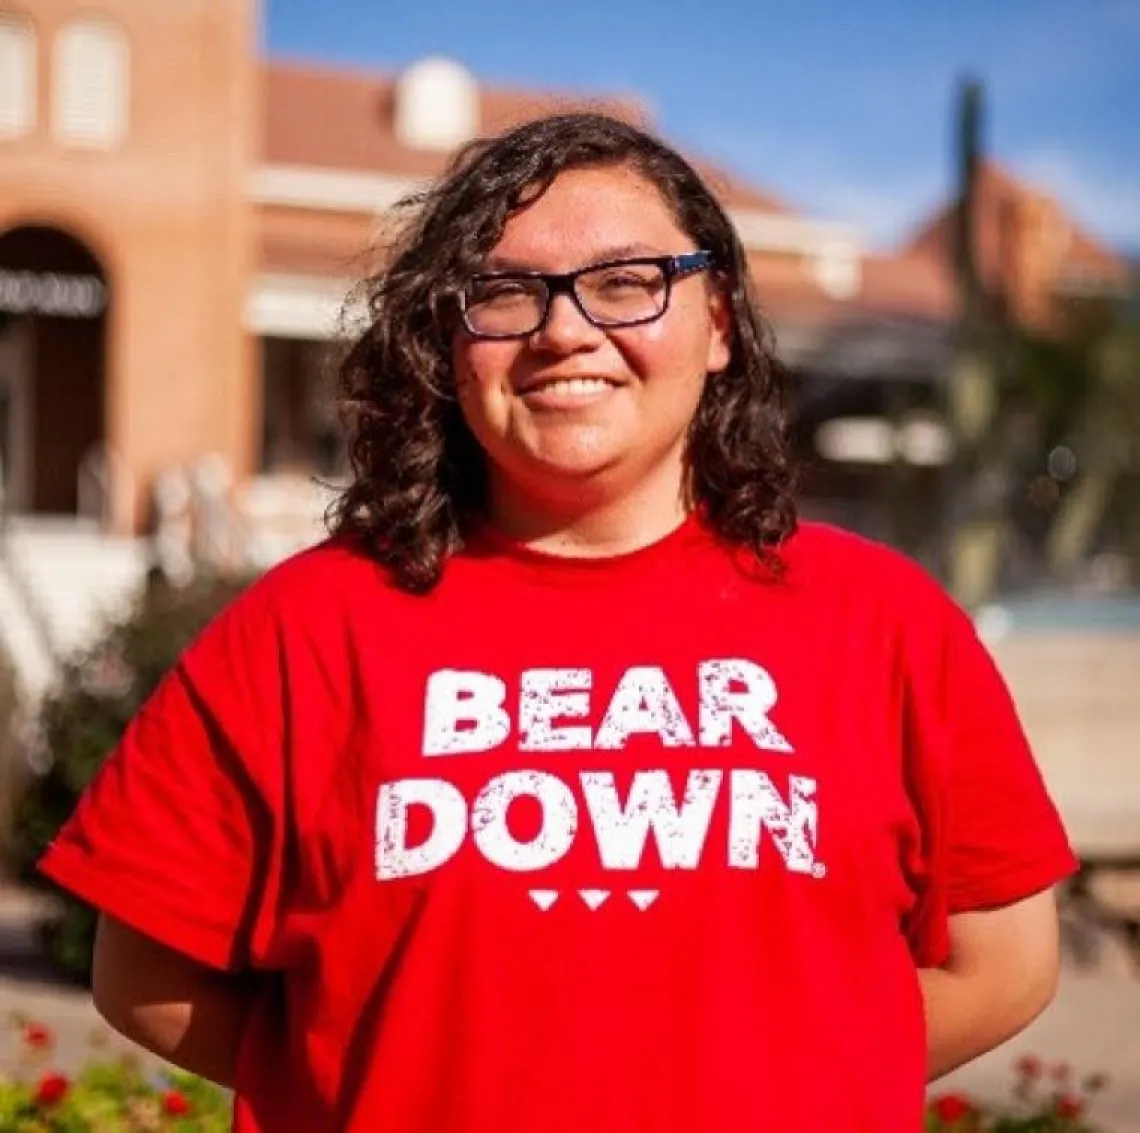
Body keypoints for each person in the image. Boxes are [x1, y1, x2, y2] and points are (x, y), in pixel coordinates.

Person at [38, 112, 1077, 1132]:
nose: (565, 329)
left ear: (718, 322)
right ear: (448, 346)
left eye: (629, 282)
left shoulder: (885, 620)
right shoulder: (303, 627)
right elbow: (145, 976)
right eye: (503, 292)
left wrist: (798, 1082)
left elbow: (1005, 961)